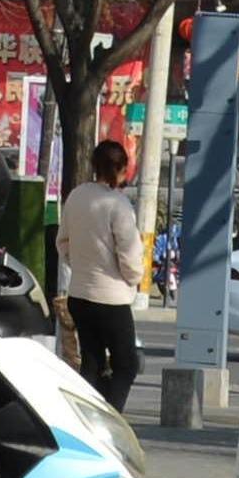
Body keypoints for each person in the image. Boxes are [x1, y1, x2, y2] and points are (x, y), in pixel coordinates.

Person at [57, 134, 154, 416]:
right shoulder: (118, 204)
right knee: (127, 364)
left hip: (79, 294)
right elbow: (130, 256)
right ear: (122, 168)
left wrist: (81, 265)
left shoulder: (76, 196)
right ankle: (110, 418)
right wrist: (133, 278)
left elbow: (63, 242)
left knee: (92, 361)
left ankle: (87, 417)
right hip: (111, 299)